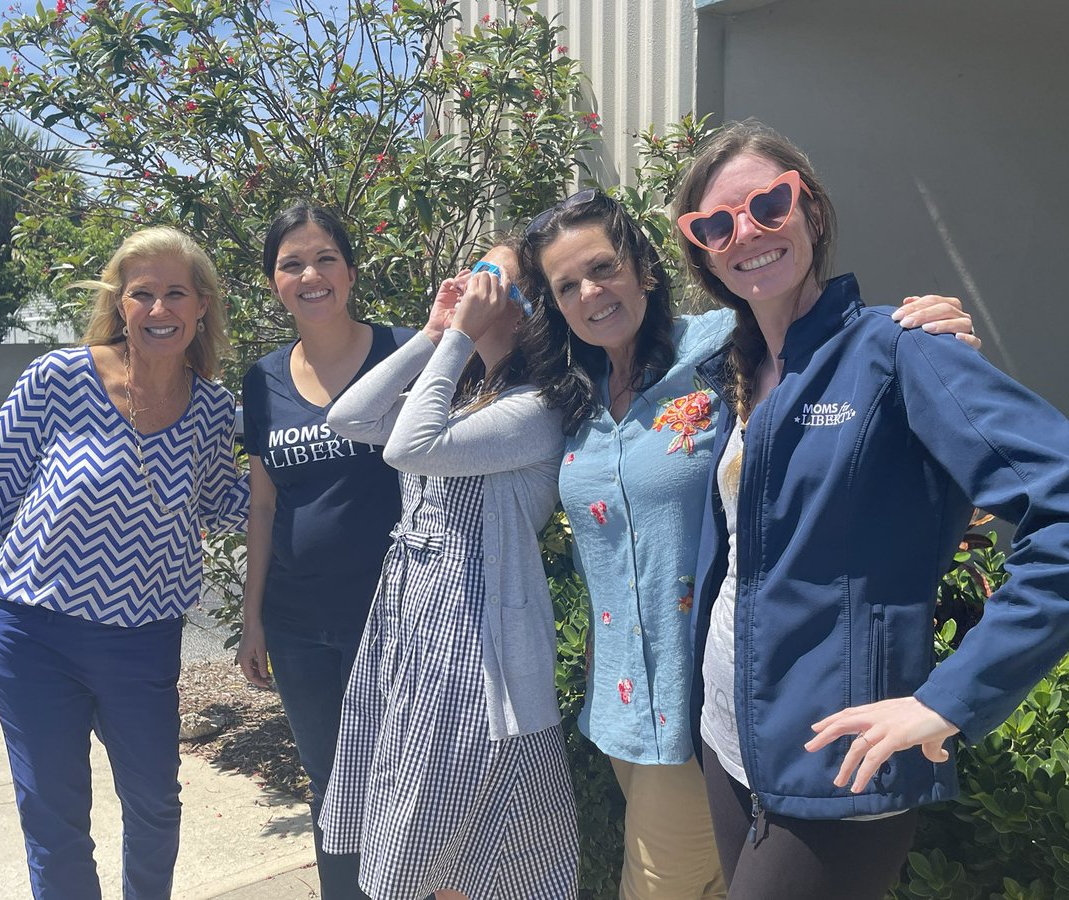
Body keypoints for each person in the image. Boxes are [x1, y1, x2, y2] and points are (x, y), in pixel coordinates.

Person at [518, 189, 978, 898]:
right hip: (619, 710)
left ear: (644, 266)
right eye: (566, 284)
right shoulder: (574, 397)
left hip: (703, 689)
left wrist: (914, 335)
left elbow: (826, 346)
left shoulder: (717, 346)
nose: (590, 292)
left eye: (604, 267)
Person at [673, 121, 1069, 899]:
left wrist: (951, 701)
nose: (744, 233)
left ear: (812, 210)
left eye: (769, 204)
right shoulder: (735, 371)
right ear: (702, 252)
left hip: (841, 763)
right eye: (714, 225)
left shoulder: (901, 349)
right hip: (725, 741)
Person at [0, 226, 249, 900]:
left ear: (201, 305)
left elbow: (227, 504)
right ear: (120, 304)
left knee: (155, 807)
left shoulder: (210, 408)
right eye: (141, 293)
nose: (158, 309)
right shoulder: (60, 377)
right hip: (32, 632)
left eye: (175, 293)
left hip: (141, 640)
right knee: (55, 820)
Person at [318, 239, 578, 900]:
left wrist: (457, 335)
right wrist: (433, 336)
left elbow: (408, 447)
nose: (472, 284)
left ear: (526, 309)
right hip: (417, 636)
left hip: (477, 652)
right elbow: (348, 417)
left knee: (477, 847)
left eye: (493, 278)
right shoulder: (465, 396)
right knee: (436, 846)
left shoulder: (535, 409)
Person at [236, 204, 412, 899]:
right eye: (291, 263)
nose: (311, 274)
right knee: (332, 784)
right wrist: (252, 619)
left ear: (351, 269)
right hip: (299, 623)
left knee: (403, 778)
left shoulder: (403, 352)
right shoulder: (263, 379)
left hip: (395, 617)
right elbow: (262, 503)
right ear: (274, 282)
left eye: (325, 258)